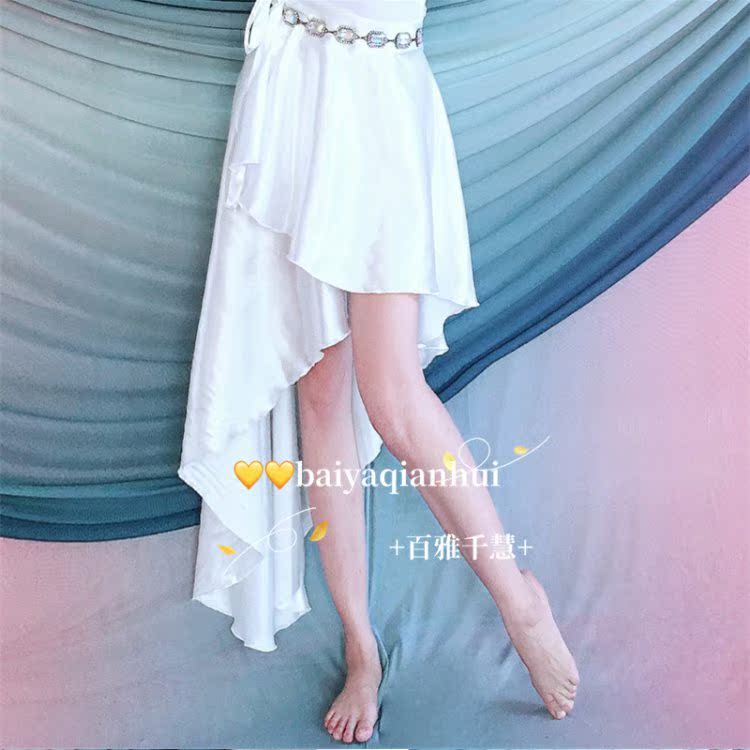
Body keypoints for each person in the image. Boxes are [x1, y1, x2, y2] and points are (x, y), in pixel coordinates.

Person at [178, 0, 579, 744]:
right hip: (293, 83)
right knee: (319, 390)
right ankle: (361, 647)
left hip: (377, 95)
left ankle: (519, 601)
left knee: (392, 399)